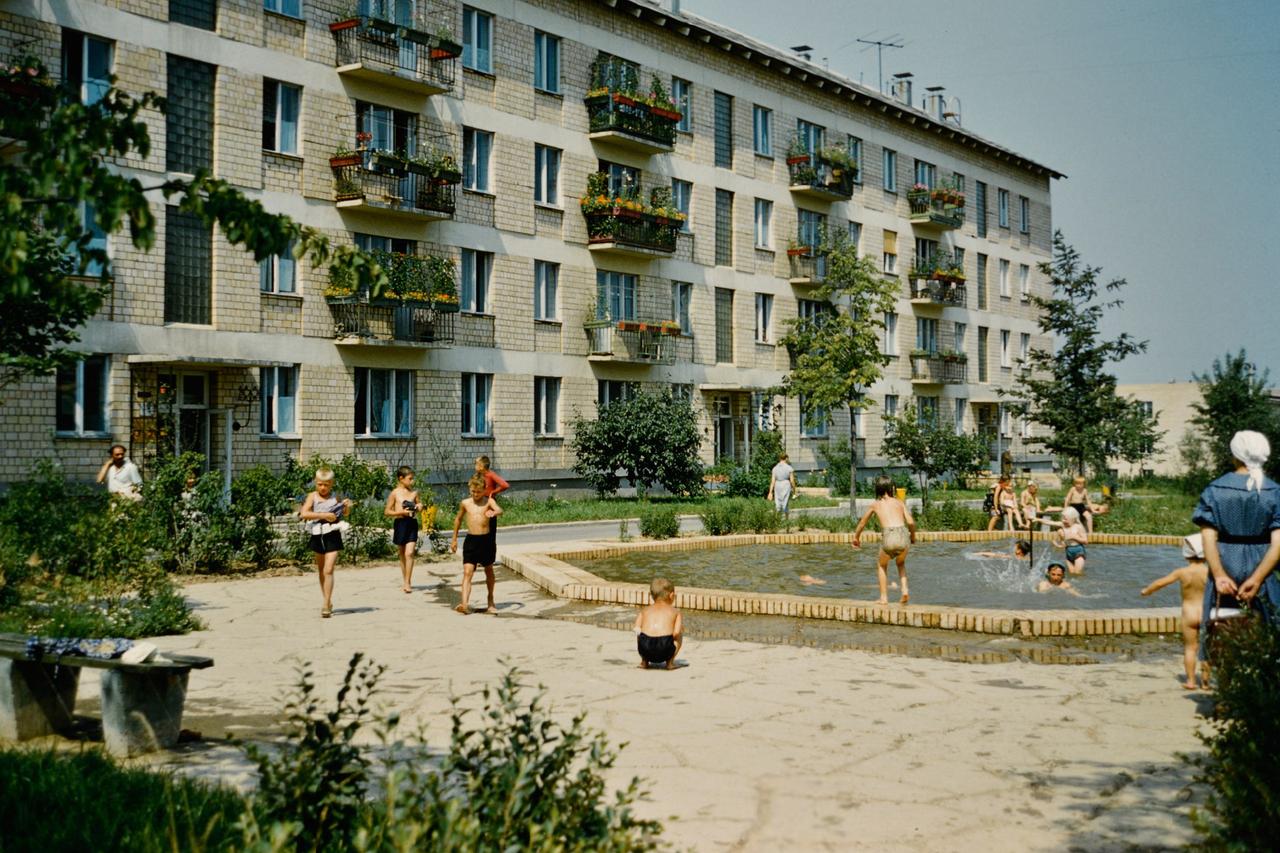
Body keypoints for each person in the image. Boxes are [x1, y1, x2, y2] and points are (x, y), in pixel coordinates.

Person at [1193, 430, 1280, 657]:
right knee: (1268, 629)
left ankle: (1223, 678)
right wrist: (1257, 578)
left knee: (1220, 626)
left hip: (1225, 559)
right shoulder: (1274, 492)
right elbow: (1278, 545)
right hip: (1262, 562)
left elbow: (1208, 538)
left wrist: (1220, 574)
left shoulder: (1214, 490)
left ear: (1235, 455)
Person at [1141, 533, 1209, 690]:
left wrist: (1146, 591)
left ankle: (1191, 681)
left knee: (1190, 648)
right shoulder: (1210, 572)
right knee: (1207, 649)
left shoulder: (1182, 572)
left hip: (1189, 614)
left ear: (1186, 555)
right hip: (1206, 613)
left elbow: (1160, 583)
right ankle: (1205, 683)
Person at [853, 476, 917, 605]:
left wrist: (856, 537)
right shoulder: (899, 502)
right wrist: (913, 536)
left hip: (889, 536)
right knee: (900, 563)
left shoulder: (875, 504)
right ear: (891, 489)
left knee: (882, 565)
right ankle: (904, 590)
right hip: (903, 535)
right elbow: (910, 522)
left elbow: (862, 523)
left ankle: (883, 598)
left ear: (878, 490)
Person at [299, 467, 352, 618]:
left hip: (333, 534)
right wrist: (323, 515)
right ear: (316, 483)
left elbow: (344, 513)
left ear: (331, 483)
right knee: (322, 569)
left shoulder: (336, 497)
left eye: (326, 485)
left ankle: (326, 603)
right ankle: (327, 600)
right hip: (317, 533)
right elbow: (304, 513)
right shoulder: (312, 496)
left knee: (329, 569)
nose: (323, 488)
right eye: (320, 484)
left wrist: (347, 507)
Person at [451, 474, 503, 615]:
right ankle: (465, 604)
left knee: (489, 570)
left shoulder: (488, 502)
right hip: (471, 541)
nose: (475, 494)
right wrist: (454, 539)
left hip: (486, 541)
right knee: (467, 572)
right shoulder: (465, 503)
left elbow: (500, 510)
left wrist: (494, 512)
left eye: (478, 492)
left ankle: (490, 601)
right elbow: (458, 520)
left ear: (484, 490)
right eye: (473, 491)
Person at [384, 466, 422, 594]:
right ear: (401, 478)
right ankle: (405, 579)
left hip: (411, 523)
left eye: (413, 479)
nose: (412, 481)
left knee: (409, 553)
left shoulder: (414, 493)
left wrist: (419, 507)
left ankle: (407, 582)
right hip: (400, 523)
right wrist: (400, 512)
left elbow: (419, 505)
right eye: (410, 479)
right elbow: (387, 511)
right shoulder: (395, 493)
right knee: (402, 554)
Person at [634, 577, 683, 669]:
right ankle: (670, 663)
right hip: (665, 651)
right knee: (680, 634)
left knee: (639, 632)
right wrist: (667, 639)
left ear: (651, 595)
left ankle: (644, 662)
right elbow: (676, 633)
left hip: (645, 650)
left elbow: (636, 628)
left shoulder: (644, 611)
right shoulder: (676, 612)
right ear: (671, 595)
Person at [1053, 506, 1089, 574]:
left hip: (1079, 552)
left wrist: (1074, 537)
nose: (1063, 521)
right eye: (1063, 518)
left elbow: (1086, 541)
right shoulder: (1064, 527)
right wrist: (1037, 519)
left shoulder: (1078, 527)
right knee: (1072, 574)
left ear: (1072, 518)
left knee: (1077, 573)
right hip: (1068, 553)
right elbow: (1050, 522)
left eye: (1065, 519)